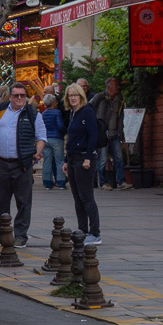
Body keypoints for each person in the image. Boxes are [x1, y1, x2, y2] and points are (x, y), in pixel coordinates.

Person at [0, 82, 45, 247]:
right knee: (0, 201)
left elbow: (42, 136)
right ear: (10, 96)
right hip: (0, 163)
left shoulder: (33, 114)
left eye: (23, 95)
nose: (20, 98)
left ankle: (21, 235)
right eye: (16, 95)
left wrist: (36, 152)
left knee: (23, 201)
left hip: (22, 164)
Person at [64, 83, 102, 245]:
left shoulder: (87, 111)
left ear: (81, 96)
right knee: (77, 197)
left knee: (86, 196)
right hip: (73, 158)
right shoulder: (73, 114)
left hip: (84, 158)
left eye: (75, 95)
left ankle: (95, 233)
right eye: (70, 95)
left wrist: (88, 157)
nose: (73, 98)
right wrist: (66, 160)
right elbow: (71, 138)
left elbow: (93, 135)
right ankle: (82, 230)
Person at [92, 76, 128, 189]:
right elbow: (89, 108)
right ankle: (102, 182)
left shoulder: (119, 99)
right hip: (102, 134)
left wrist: (121, 135)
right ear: (109, 87)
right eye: (116, 85)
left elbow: (121, 118)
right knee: (102, 159)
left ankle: (121, 181)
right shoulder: (99, 97)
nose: (118, 87)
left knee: (119, 158)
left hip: (115, 133)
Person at [39, 93, 66, 190]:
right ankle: (61, 182)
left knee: (47, 161)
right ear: (53, 103)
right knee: (59, 161)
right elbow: (60, 126)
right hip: (57, 138)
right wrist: (64, 131)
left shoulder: (44, 113)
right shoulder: (57, 112)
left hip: (47, 139)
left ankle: (47, 182)